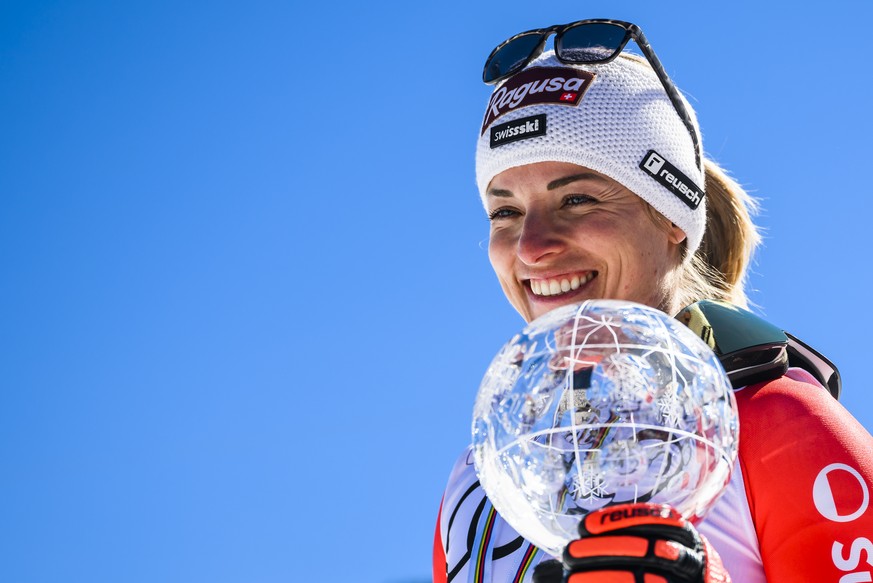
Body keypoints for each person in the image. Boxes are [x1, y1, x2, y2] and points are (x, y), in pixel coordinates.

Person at [433, 19, 873, 583]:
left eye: (578, 199)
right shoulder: (480, 478)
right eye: (506, 212)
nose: (533, 246)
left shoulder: (774, 418)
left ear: (672, 217)